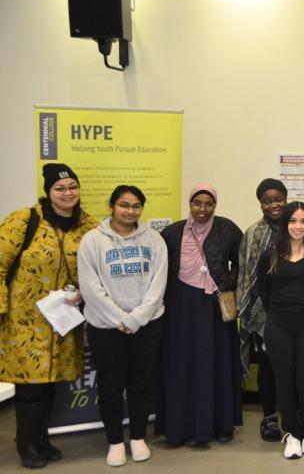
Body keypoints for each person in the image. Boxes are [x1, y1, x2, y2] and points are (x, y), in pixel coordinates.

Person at [0, 163, 97, 469]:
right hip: (25, 322)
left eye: (72, 187)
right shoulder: (24, 221)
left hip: (65, 321)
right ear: (48, 192)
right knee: (31, 384)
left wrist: (86, 292)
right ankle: (26, 443)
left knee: (52, 381)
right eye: (60, 188)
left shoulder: (88, 226)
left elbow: (96, 268)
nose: (68, 193)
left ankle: (41, 439)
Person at [78, 185, 168, 467]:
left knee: (141, 385)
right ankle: (115, 441)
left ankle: (138, 437)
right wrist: (120, 318)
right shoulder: (92, 241)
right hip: (105, 327)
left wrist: (136, 318)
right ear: (112, 206)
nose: (130, 211)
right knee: (110, 386)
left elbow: (158, 283)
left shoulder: (154, 239)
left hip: (147, 324)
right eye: (124, 205)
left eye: (136, 206)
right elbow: (90, 287)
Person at [156, 184, 243, 446]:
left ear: (215, 205)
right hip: (180, 306)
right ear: (190, 204)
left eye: (208, 204)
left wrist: (227, 283)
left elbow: (242, 263)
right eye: (197, 203)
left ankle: (221, 424)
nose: (202, 209)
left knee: (216, 363)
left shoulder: (228, 228)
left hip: (215, 307)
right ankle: (179, 427)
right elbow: (161, 269)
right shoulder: (172, 232)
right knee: (181, 363)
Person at [255, 202, 304, 459]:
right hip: (279, 326)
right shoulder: (270, 255)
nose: (298, 226)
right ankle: (292, 434)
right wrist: (279, 314)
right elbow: (264, 292)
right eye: (293, 221)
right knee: (283, 380)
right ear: (285, 224)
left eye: (303, 221)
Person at [236, 178, 287, 443]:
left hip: (294, 310)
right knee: (267, 365)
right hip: (263, 312)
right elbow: (246, 275)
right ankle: (269, 419)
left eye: (278, 198)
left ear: (286, 199)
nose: (274, 204)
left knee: (293, 366)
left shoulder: (298, 228)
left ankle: (292, 415)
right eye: (268, 200)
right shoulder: (253, 233)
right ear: (260, 204)